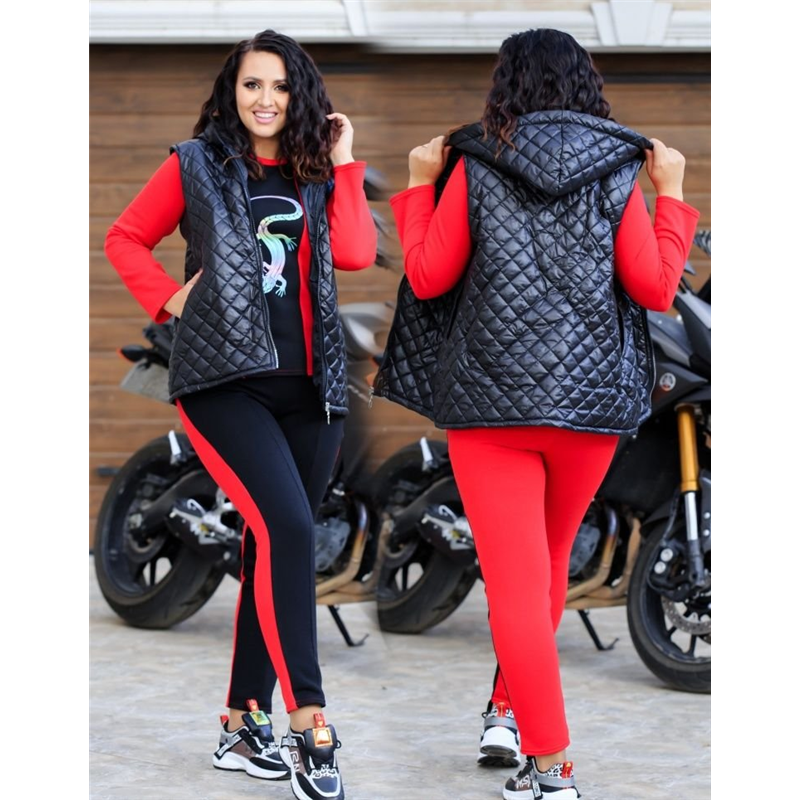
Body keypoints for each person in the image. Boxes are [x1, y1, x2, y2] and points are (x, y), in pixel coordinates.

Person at [373, 28, 700, 800]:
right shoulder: (619, 168)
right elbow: (656, 288)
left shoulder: (475, 162)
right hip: (588, 409)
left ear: (505, 85)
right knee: (547, 567)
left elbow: (428, 276)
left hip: (491, 407)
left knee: (519, 585)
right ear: (586, 85)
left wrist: (417, 185)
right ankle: (506, 712)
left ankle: (550, 767)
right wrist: (674, 195)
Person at [105, 29, 376, 800]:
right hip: (225, 383)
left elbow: (356, 253)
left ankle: (241, 722)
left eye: (281, 86)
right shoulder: (195, 164)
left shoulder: (315, 172)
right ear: (232, 91)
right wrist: (169, 298)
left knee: (272, 543)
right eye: (252, 84)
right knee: (290, 529)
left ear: (301, 97)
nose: (265, 99)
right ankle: (309, 721)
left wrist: (345, 159)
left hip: (313, 389)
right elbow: (125, 237)